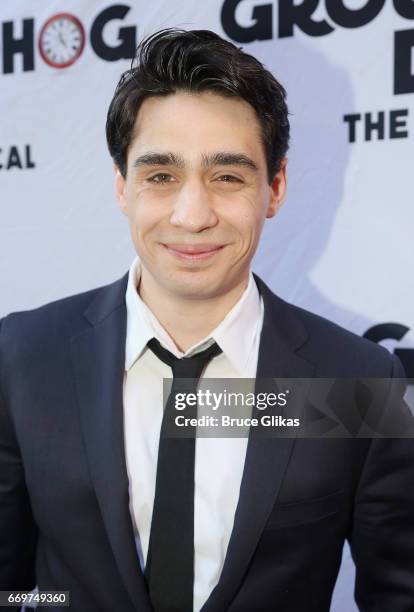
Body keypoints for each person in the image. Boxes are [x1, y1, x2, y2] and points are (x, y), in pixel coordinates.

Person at [0, 28, 413, 612]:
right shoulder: (24, 355)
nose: (192, 216)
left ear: (276, 188)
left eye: (227, 176)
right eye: (161, 176)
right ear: (123, 188)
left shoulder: (363, 382)